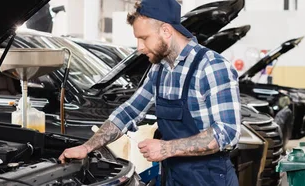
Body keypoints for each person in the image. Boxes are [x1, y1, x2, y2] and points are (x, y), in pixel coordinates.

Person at [58, 0, 241, 185]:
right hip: (173, 176)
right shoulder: (159, 70)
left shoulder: (211, 66)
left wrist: (167, 148)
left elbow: (227, 132)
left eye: (144, 38)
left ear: (166, 31)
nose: (139, 47)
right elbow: (129, 111)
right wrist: (86, 147)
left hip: (210, 178)